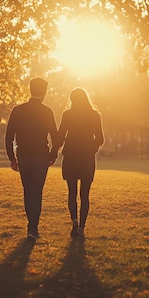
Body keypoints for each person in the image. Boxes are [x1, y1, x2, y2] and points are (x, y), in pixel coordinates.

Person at [5, 77, 59, 241]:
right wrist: (52, 154)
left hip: (24, 156)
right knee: (37, 191)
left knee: (28, 191)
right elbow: (55, 137)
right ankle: (33, 227)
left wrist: (12, 158)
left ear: (31, 90)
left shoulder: (18, 110)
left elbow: (9, 136)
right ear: (44, 92)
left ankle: (31, 226)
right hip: (41, 156)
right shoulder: (47, 112)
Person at [53, 88, 104, 238]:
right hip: (87, 158)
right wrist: (92, 148)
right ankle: (82, 227)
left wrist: (54, 151)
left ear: (72, 99)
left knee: (72, 192)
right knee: (85, 194)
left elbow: (61, 136)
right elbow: (100, 139)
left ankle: (74, 222)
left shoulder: (68, 115)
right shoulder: (94, 115)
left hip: (71, 156)